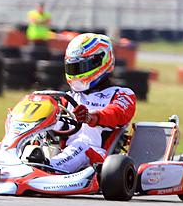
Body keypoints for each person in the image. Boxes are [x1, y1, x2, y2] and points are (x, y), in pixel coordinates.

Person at [38, 33, 136, 173]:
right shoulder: (68, 98)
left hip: (102, 162)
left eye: (81, 66)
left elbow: (115, 114)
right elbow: (52, 125)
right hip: (64, 155)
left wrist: (91, 117)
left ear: (100, 61)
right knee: (36, 139)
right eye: (73, 68)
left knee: (80, 147)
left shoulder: (122, 94)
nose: (76, 74)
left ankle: (46, 170)